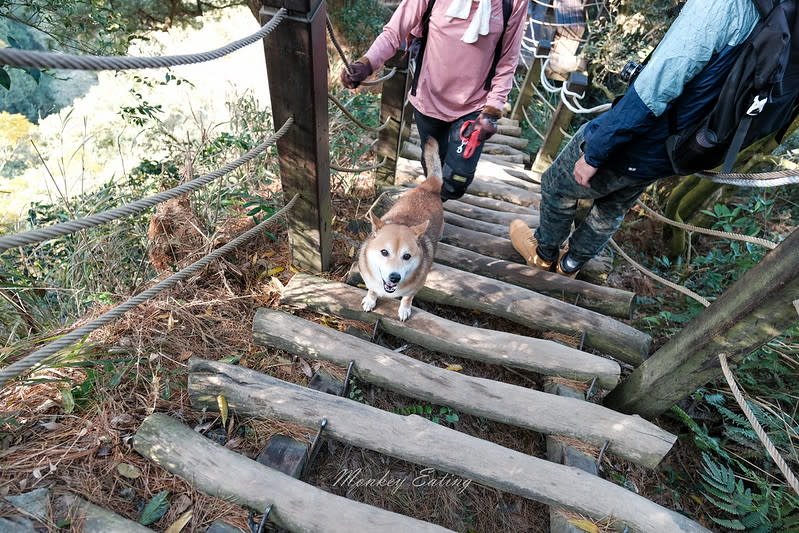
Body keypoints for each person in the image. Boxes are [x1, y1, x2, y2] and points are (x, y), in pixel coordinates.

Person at [509, 0, 765, 278]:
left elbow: (660, 83)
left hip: (648, 133)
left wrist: (597, 150)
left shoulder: (723, 5)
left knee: (558, 186)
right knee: (614, 203)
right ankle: (571, 263)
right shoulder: (773, 14)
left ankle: (544, 254)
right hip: (683, 144)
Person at [340, 0, 528, 201]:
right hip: (429, 100)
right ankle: (427, 214)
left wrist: (492, 111)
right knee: (433, 169)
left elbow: (509, 58)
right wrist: (366, 64)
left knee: (456, 181)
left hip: (475, 106)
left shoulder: (513, 2)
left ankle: (428, 207)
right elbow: (394, 32)